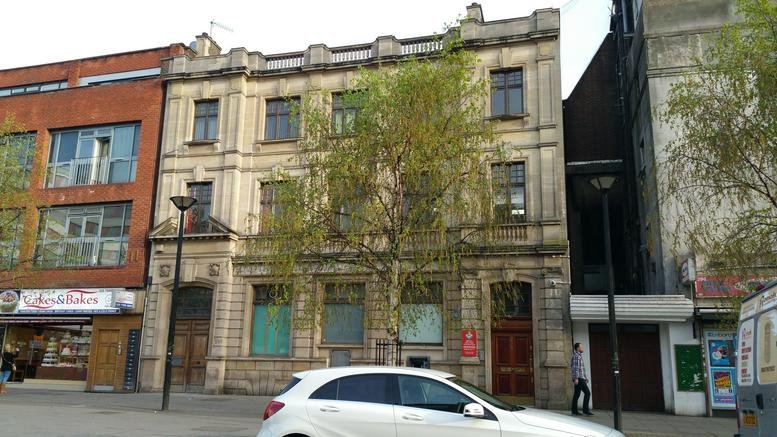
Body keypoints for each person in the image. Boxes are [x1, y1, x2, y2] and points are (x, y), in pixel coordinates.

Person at [571, 342, 593, 416]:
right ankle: (585, 410)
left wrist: (585, 378)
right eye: (581, 347)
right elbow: (575, 368)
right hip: (579, 378)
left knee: (577, 394)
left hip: (581, 377)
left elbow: (581, 369)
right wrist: (576, 378)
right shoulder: (577, 356)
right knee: (587, 393)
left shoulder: (579, 356)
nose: (582, 348)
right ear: (578, 348)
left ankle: (574, 411)